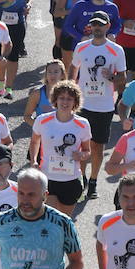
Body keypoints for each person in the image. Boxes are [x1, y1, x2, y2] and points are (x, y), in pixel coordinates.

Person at [71, 15, 126, 198]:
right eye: (94, 25)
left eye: (101, 25)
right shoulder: (81, 47)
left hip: (104, 106)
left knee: (97, 147)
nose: (97, 28)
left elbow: (122, 79)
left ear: (108, 26)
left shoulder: (116, 50)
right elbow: (74, 69)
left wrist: (111, 76)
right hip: (82, 105)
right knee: (81, 145)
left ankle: (93, 181)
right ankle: (82, 179)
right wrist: (70, 89)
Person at [30, 80, 92, 216]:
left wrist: (82, 155)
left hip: (71, 179)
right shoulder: (42, 120)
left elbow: (88, 151)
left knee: (64, 221)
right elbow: (35, 142)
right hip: (48, 178)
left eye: (69, 99)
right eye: (62, 98)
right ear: (55, 100)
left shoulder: (83, 124)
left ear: (75, 102)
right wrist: (33, 160)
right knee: (51, 217)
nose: (65, 102)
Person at [23, 59, 66, 127]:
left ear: (62, 75)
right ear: (46, 74)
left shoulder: (69, 94)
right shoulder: (37, 93)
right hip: (42, 135)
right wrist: (39, 127)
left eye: (56, 72)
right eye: (49, 72)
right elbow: (27, 116)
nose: (52, 75)